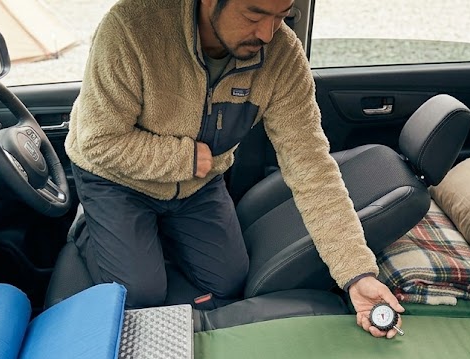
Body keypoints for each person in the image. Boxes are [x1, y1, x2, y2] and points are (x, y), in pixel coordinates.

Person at [65, 0, 403, 338]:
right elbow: (99, 140)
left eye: (282, 17)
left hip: (198, 183)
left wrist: (357, 274)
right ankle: (89, 224)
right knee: (140, 294)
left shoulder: (282, 56)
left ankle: (155, 231)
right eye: (254, 15)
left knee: (229, 281)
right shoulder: (131, 27)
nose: (267, 34)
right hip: (118, 180)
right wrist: (184, 159)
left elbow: (312, 167)